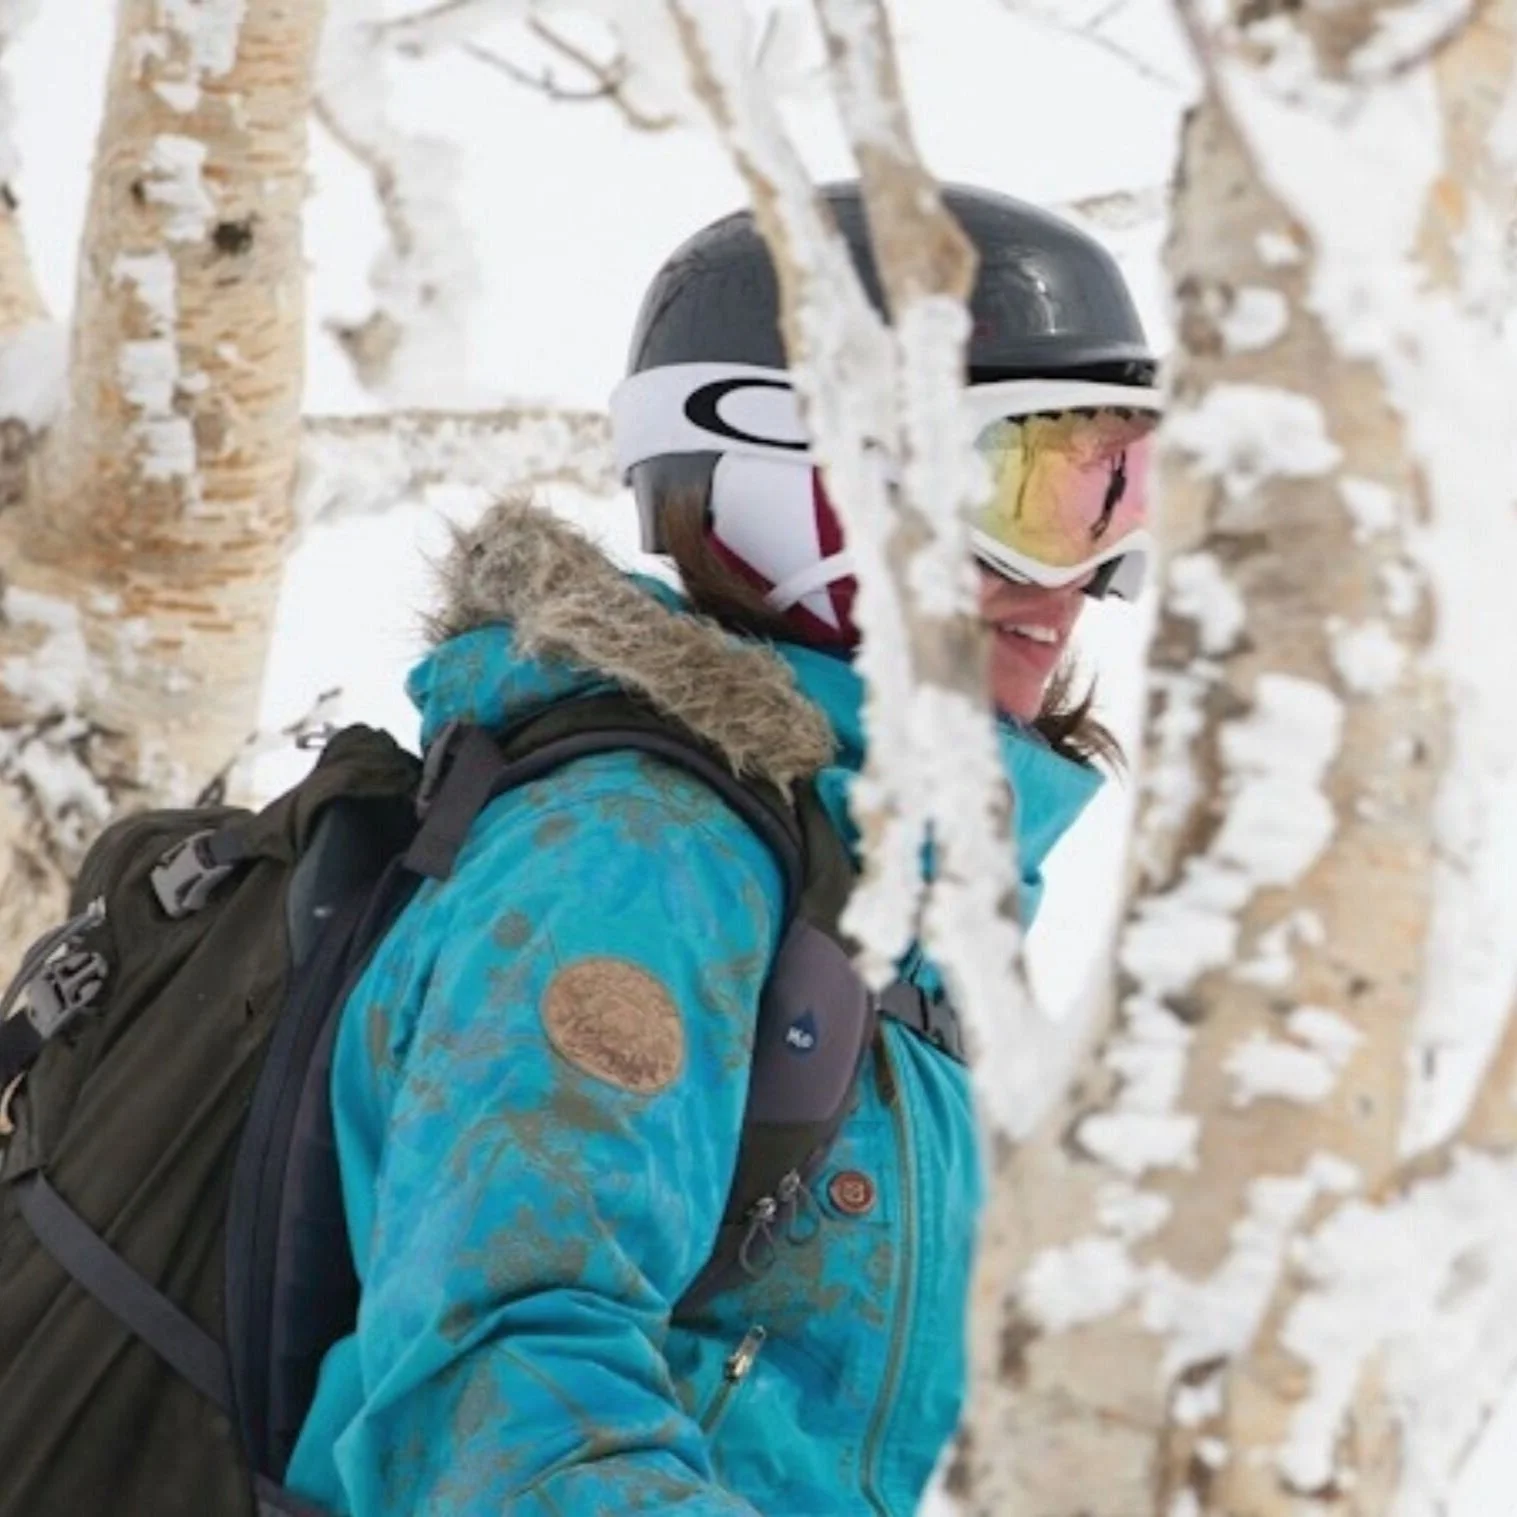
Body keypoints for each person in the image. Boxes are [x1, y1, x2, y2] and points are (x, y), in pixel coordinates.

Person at [285, 182, 1160, 1516]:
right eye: (1024, 489)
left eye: (1116, 492)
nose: (1077, 578)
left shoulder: (901, 903)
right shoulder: (633, 860)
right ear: (801, 476)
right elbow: (503, 1396)